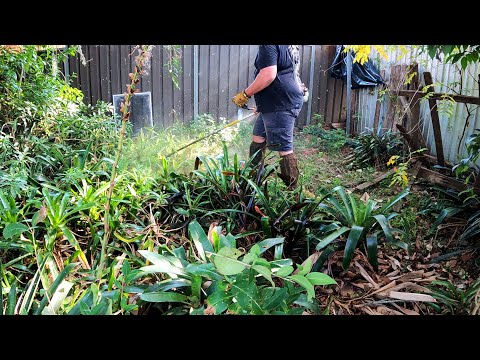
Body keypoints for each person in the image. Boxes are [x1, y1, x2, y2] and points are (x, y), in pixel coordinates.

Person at [232, 45, 308, 189]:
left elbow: (268, 74)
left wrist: (245, 94)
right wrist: (263, 105)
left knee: (284, 147)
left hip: (280, 102)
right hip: (275, 101)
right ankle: (254, 179)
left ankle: (293, 191)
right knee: (258, 137)